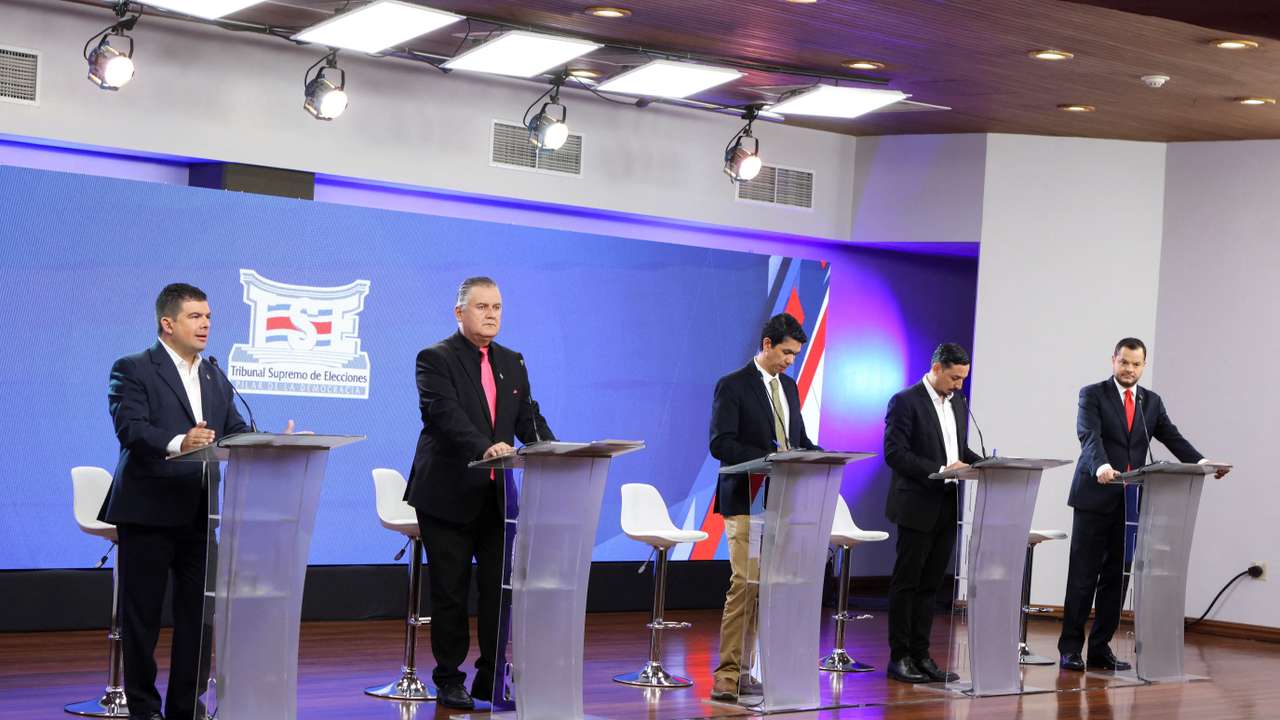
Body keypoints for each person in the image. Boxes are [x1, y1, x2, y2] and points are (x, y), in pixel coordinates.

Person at [101, 283, 258, 720]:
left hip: (200, 512)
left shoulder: (213, 374)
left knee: (198, 619)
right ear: (167, 324)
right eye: (195, 316)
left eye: (208, 316)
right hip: (148, 510)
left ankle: (186, 708)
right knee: (143, 619)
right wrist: (179, 442)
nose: (206, 323)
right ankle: (145, 710)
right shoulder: (133, 369)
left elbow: (233, 430)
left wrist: (271, 442)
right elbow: (131, 430)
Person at [405, 276, 554, 710]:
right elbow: (444, 414)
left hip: (498, 501)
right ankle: (449, 679)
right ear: (459, 313)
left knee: (498, 590)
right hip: (447, 494)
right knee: (450, 591)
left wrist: (556, 450)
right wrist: (484, 447)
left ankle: (490, 676)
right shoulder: (435, 358)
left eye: (497, 308)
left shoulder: (514, 361)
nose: (491, 315)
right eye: (482, 307)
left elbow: (528, 419)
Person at [1057, 337, 1228, 672]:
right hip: (1095, 495)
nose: (1130, 369)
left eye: (1136, 364)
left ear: (1143, 365)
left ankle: (1101, 648)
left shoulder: (1151, 402)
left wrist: (1204, 463)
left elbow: (1172, 437)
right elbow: (1088, 436)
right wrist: (1102, 467)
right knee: (1082, 576)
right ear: (1113, 360)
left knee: (1117, 577)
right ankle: (1071, 649)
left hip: (1131, 502)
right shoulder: (1092, 394)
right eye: (1124, 362)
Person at [707, 312, 819, 702]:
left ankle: (747, 671)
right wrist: (768, 457)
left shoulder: (789, 388)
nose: (791, 361)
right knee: (746, 585)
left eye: (796, 355)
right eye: (786, 352)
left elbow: (798, 439)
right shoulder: (733, 385)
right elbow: (721, 443)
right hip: (746, 499)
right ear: (767, 344)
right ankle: (727, 674)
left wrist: (823, 456)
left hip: (782, 502)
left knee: (767, 589)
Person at [882, 342, 982, 684]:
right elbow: (895, 454)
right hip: (916, 503)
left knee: (931, 586)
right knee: (907, 583)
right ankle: (899, 658)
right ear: (937, 368)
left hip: (947, 504)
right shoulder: (905, 401)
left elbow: (958, 450)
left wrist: (986, 465)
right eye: (955, 377)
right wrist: (940, 469)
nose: (959, 385)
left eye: (963, 379)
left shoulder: (958, 404)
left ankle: (922, 656)